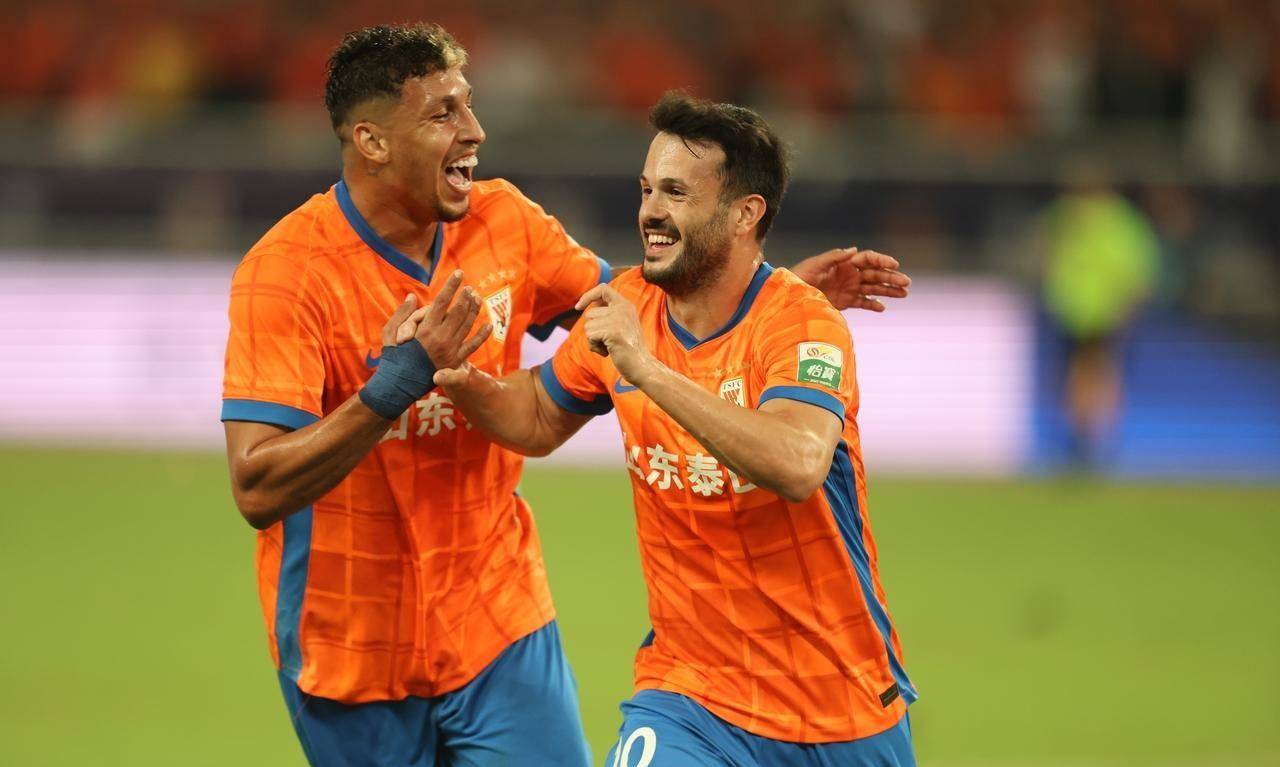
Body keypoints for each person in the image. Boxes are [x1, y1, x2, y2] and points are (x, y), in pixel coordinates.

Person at [221, 23, 911, 767]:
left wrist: (759, 297)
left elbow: (637, 308)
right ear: (373, 141)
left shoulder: (504, 222)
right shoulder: (286, 273)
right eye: (443, 113)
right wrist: (397, 384)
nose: (475, 130)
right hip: (349, 642)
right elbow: (258, 486)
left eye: (468, 104)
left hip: (497, 623)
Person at [431, 92, 916, 766]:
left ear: (744, 213)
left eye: (677, 192)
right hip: (690, 697)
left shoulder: (802, 322)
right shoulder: (629, 303)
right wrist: (458, 376)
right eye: (647, 189)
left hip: (839, 703)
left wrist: (644, 367)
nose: (650, 211)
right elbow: (538, 414)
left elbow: (798, 462)